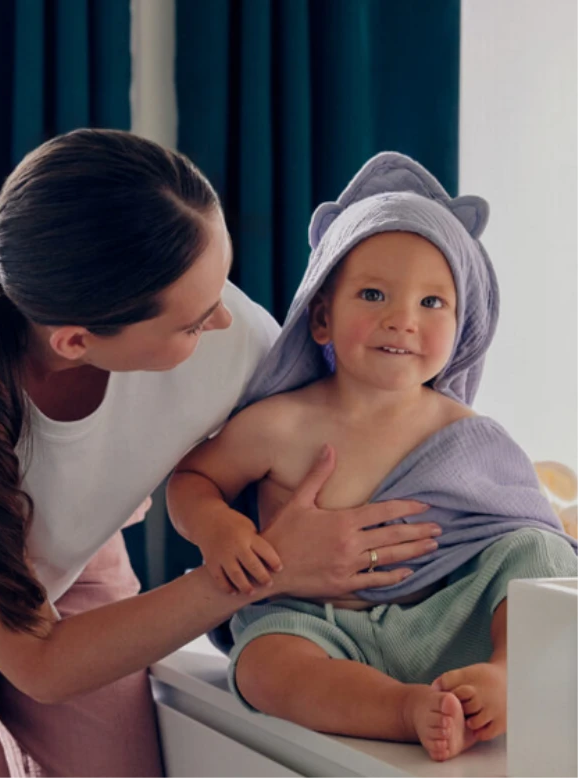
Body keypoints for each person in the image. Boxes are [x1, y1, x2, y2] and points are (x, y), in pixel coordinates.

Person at [0, 130, 441, 778]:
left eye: (221, 287)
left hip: (69, 525)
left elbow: (367, 443)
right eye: (191, 322)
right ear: (75, 342)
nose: (223, 324)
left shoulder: (234, 336)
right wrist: (264, 570)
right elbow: (42, 664)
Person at [167, 152, 578, 762]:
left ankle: (505, 674)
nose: (402, 320)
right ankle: (402, 709)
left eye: (432, 304)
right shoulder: (282, 423)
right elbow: (193, 477)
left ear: (464, 328)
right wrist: (220, 527)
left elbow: (521, 529)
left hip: (447, 620)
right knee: (262, 666)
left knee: (535, 551)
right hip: (322, 628)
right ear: (323, 318)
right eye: (373, 293)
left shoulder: (470, 433)